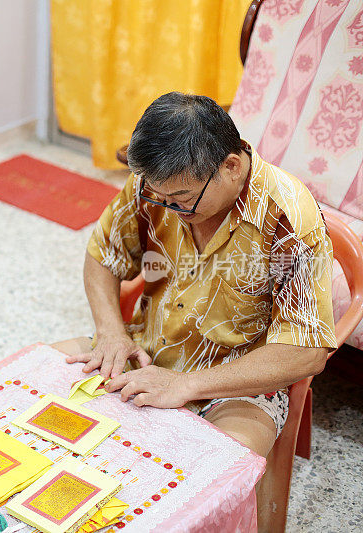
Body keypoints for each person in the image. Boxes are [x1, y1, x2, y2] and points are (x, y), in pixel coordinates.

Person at [53, 92, 336, 528]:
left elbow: (306, 352)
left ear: (232, 166)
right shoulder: (157, 184)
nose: (168, 207)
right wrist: (111, 331)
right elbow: (102, 257)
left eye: (182, 197)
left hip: (238, 383)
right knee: (42, 404)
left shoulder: (288, 219)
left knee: (201, 487)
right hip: (146, 349)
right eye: (159, 196)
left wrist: (186, 385)